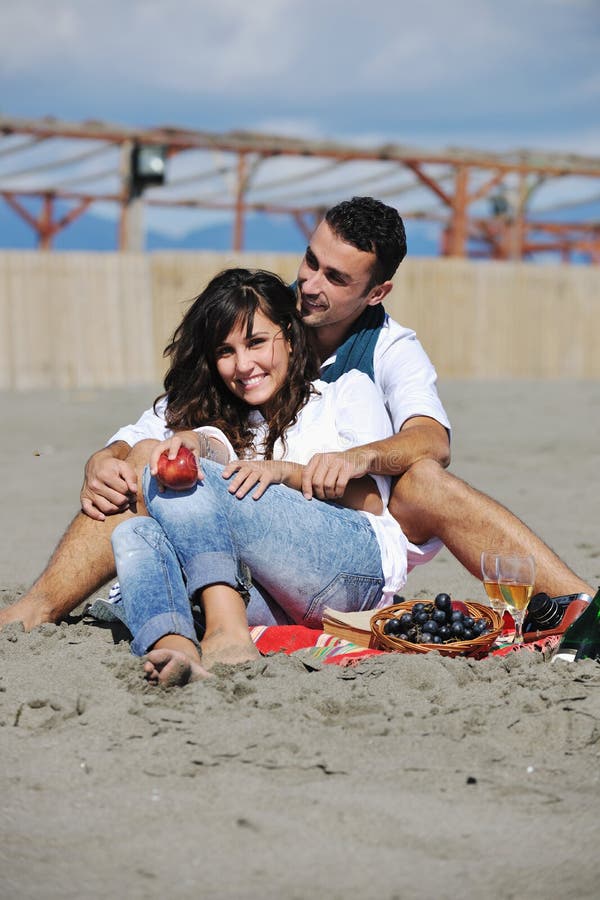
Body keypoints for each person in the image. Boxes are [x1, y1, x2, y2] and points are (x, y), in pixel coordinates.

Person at [0, 197, 592, 631]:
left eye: (335, 278)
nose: (310, 284)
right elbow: (160, 424)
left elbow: (429, 442)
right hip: (267, 543)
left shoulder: (377, 359)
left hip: (362, 534)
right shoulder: (268, 314)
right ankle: (36, 612)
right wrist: (107, 458)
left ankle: (579, 605)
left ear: (376, 292)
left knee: (423, 480)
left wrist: (335, 462)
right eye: (310, 260)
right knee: (140, 474)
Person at [106, 267, 409, 684]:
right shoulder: (228, 414)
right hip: (269, 593)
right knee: (133, 534)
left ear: (288, 332)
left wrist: (285, 473)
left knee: (194, 479)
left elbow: (372, 502)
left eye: (256, 342)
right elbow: (172, 443)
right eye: (225, 351)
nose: (243, 365)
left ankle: (226, 631)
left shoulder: (345, 392)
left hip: (354, 573)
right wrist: (191, 442)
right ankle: (175, 647)